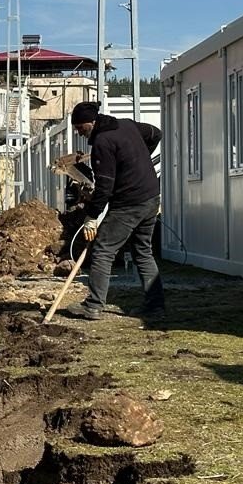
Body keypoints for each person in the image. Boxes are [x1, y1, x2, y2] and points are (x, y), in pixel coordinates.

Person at [63, 101, 164, 320]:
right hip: (151, 197)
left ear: (91, 122)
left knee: (103, 251)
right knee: (142, 251)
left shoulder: (102, 142)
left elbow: (105, 186)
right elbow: (156, 133)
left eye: (80, 127)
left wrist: (91, 216)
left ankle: (93, 306)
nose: (78, 132)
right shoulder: (127, 125)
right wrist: (140, 160)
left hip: (129, 203)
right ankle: (155, 305)